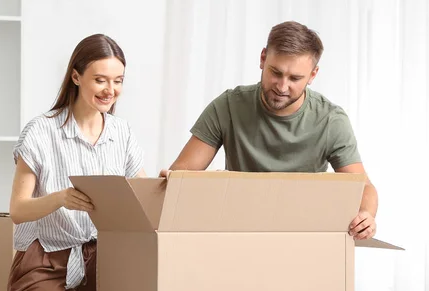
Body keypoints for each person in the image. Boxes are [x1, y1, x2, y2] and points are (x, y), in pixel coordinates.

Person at [161, 21, 377, 240]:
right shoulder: (228, 106)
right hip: (238, 232)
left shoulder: (330, 120)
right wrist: (179, 182)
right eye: (276, 72)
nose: (282, 87)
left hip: (301, 237)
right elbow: (181, 177)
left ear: (313, 75)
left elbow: (364, 188)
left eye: (295, 78)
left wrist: (366, 215)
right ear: (263, 58)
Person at [7, 34, 146, 291]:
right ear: (76, 76)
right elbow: (17, 211)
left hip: (96, 257)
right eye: (100, 79)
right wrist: (60, 199)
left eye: (118, 81)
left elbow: (140, 196)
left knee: (151, 272)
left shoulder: (121, 132)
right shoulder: (40, 131)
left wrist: (164, 185)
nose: (109, 90)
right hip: (43, 263)